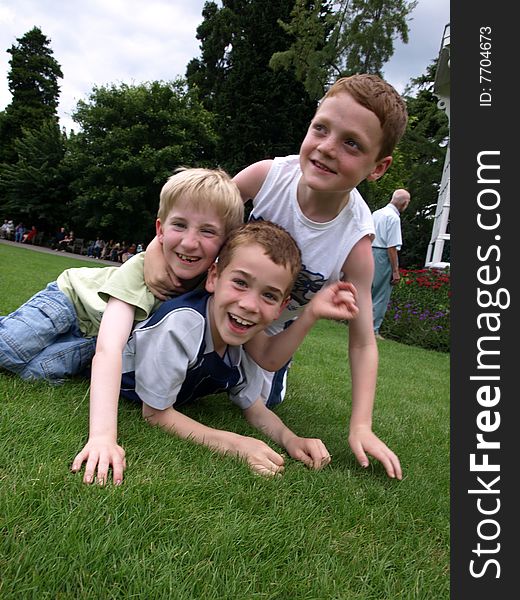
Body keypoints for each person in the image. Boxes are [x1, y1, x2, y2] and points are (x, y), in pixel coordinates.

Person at [144, 74, 408, 480]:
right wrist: (153, 253)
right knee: (156, 341)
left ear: (378, 167)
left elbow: (363, 341)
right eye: (321, 128)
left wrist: (361, 425)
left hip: (267, 332)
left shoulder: (356, 243)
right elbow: (197, 213)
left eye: (351, 143)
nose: (326, 147)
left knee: (263, 400)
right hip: (209, 300)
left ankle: (250, 374)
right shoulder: (268, 177)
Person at [71, 221, 359, 484]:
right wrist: (234, 444)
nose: (249, 304)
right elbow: (156, 414)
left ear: (281, 309)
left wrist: (290, 438)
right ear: (213, 278)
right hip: (92, 352)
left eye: (269, 295)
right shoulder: (182, 325)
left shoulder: (247, 336)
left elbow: (254, 407)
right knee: (41, 365)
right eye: (240, 283)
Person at [0, 168, 244, 382]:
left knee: (35, 372)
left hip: (91, 339)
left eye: (207, 231)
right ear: (160, 230)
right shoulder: (141, 267)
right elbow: (111, 349)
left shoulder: (212, 286)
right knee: (8, 349)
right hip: (72, 301)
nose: (190, 243)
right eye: (179, 225)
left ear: (226, 242)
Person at [371, 189, 411, 339]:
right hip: (382, 255)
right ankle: (373, 329)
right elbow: (391, 247)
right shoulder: (393, 218)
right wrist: (395, 270)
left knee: (367, 291)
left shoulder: (377, 213)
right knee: (381, 294)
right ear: (405, 203)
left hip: (368, 251)